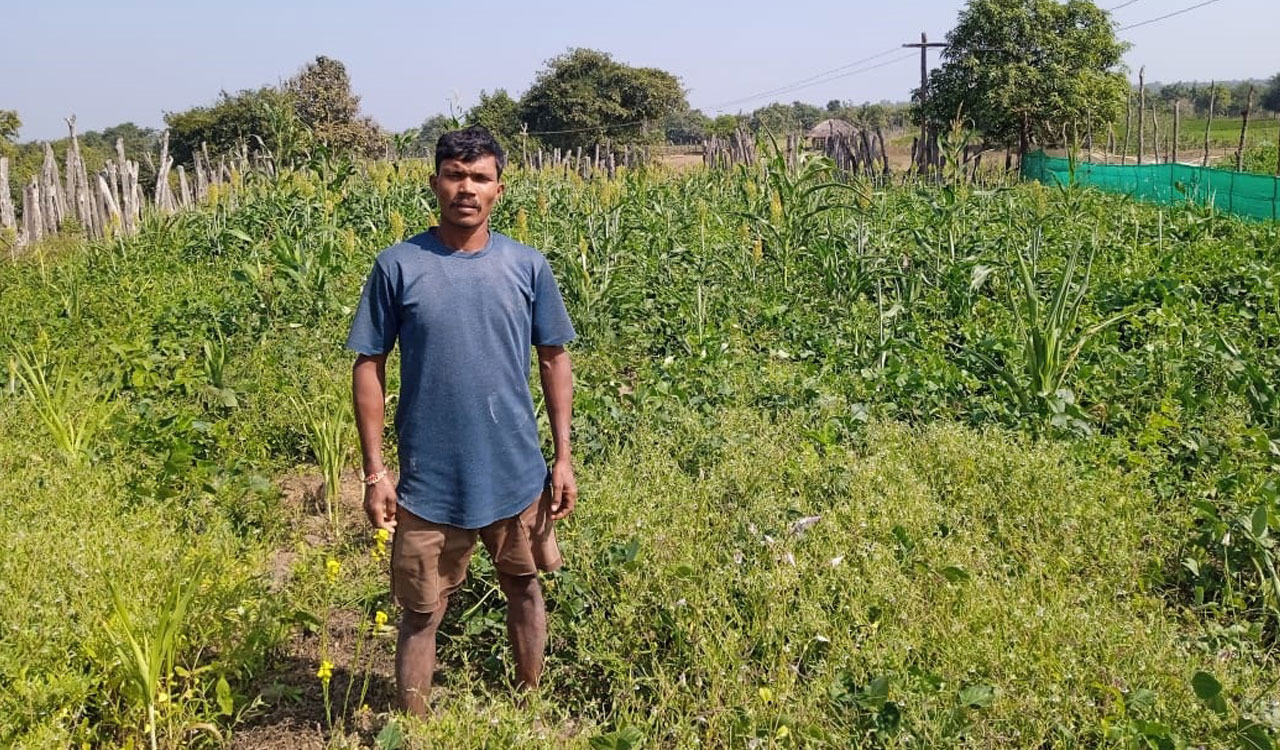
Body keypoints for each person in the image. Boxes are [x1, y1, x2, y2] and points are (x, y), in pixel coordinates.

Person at [345, 125, 577, 716]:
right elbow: (368, 364)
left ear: (499, 188)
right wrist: (375, 473)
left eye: (479, 177)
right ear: (435, 183)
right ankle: (417, 726)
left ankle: (530, 706)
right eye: (455, 175)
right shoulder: (399, 266)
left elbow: (554, 357)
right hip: (430, 480)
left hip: (517, 473)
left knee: (524, 588)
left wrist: (563, 457)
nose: (466, 188)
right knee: (421, 610)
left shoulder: (527, 267)